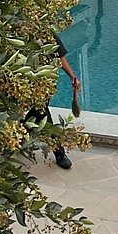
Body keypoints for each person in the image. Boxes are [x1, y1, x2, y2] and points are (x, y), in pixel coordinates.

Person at [25, 40, 81, 170]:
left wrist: (72, 77)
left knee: (39, 112)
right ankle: (58, 152)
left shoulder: (47, 34)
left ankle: (21, 133)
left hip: (46, 82)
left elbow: (60, 56)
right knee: (40, 113)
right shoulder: (20, 34)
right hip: (28, 81)